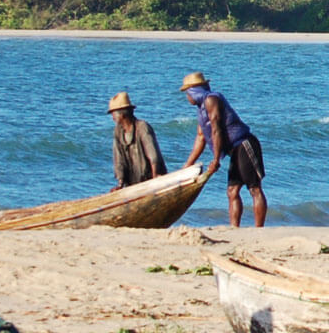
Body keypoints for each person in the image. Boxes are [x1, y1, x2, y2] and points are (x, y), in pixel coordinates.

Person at [179, 72, 267, 227]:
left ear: (194, 90)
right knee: (232, 191)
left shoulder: (212, 100)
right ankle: (234, 228)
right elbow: (201, 137)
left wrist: (216, 159)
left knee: (254, 188)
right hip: (234, 150)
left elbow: (216, 129)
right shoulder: (201, 109)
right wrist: (188, 164)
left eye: (187, 93)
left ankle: (259, 229)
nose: (187, 97)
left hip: (245, 144)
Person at [108, 91, 167, 191]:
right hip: (133, 183)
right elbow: (119, 161)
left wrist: (155, 176)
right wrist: (120, 183)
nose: (112, 117)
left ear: (122, 114)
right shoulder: (118, 132)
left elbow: (152, 155)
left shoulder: (142, 127)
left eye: (113, 113)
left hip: (149, 177)